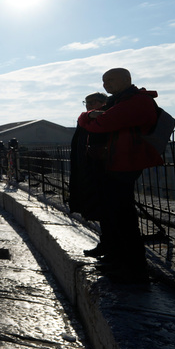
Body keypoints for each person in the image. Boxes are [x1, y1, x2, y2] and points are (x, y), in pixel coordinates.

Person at [77, 68, 163, 283]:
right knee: (113, 213)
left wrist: (89, 118)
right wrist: (89, 116)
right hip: (114, 162)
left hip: (124, 163)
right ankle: (116, 259)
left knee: (122, 216)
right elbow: (89, 119)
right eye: (104, 81)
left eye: (111, 80)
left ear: (126, 79)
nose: (106, 85)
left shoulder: (136, 101)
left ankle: (132, 267)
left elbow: (101, 125)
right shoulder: (120, 100)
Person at [68, 92, 109, 255]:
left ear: (104, 103)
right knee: (101, 211)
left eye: (94, 102)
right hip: (88, 169)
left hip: (102, 169)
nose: (89, 104)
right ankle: (105, 245)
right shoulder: (86, 119)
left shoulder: (103, 117)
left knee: (106, 210)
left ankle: (109, 247)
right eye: (87, 102)